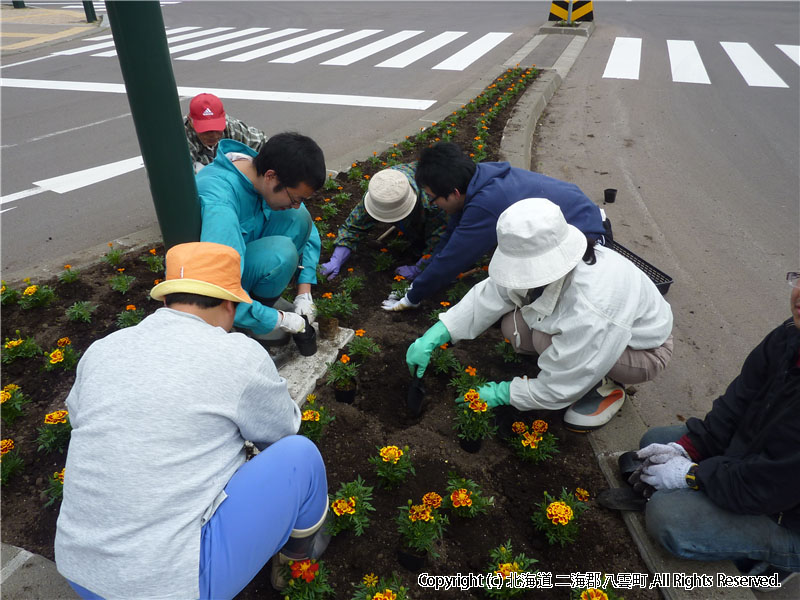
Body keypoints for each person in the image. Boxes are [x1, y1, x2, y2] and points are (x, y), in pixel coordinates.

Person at [55, 242, 330, 600]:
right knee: (300, 456)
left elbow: (82, 420)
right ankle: (297, 558)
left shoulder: (104, 348)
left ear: (167, 299)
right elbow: (281, 433)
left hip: (80, 570)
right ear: (231, 304)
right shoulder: (238, 354)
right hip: (171, 586)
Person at [406, 198, 674, 431]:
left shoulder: (593, 305)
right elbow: (494, 292)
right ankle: (570, 364)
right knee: (514, 328)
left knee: (548, 344)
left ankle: (604, 387)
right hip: (599, 333)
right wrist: (439, 332)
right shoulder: (546, 253)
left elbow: (558, 387)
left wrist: (503, 393)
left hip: (643, 351)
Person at [629, 271, 800, 588]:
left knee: (668, 518)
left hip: (786, 512)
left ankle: (775, 560)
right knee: (654, 442)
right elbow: (737, 402)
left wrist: (691, 475)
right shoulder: (790, 335)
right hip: (758, 461)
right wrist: (688, 449)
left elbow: (769, 485)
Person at [382, 141, 607, 312]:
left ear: (454, 193)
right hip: (580, 218)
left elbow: (454, 258)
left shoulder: (487, 203)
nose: (433, 204)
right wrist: (420, 279)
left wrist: (411, 299)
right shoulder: (477, 177)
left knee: (544, 304)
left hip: (588, 236)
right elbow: (450, 238)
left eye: (433, 198)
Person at [197, 131, 326, 344]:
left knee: (298, 218)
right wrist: (278, 320)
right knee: (281, 253)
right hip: (211, 289)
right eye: (295, 198)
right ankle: (246, 320)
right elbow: (216, 290)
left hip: (240, 262)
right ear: (271, 176)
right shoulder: (221, 203)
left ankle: (259, 305)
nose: (296, 203)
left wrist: (305, 290)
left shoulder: (254, 172)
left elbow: (306, 227)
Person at [320, 163, 447, 281]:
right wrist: (336, 259)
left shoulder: (434, 203)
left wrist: (419, 268)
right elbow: (354, 226)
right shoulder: (380, 190)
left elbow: (439, 241)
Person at [185, 93, 269, 172]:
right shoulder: (181, 137)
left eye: (217, 128)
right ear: (190, 121)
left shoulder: (231, 126)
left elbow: (262, 144)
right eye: (206, 131)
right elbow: (184, 176)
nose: (213, 135)